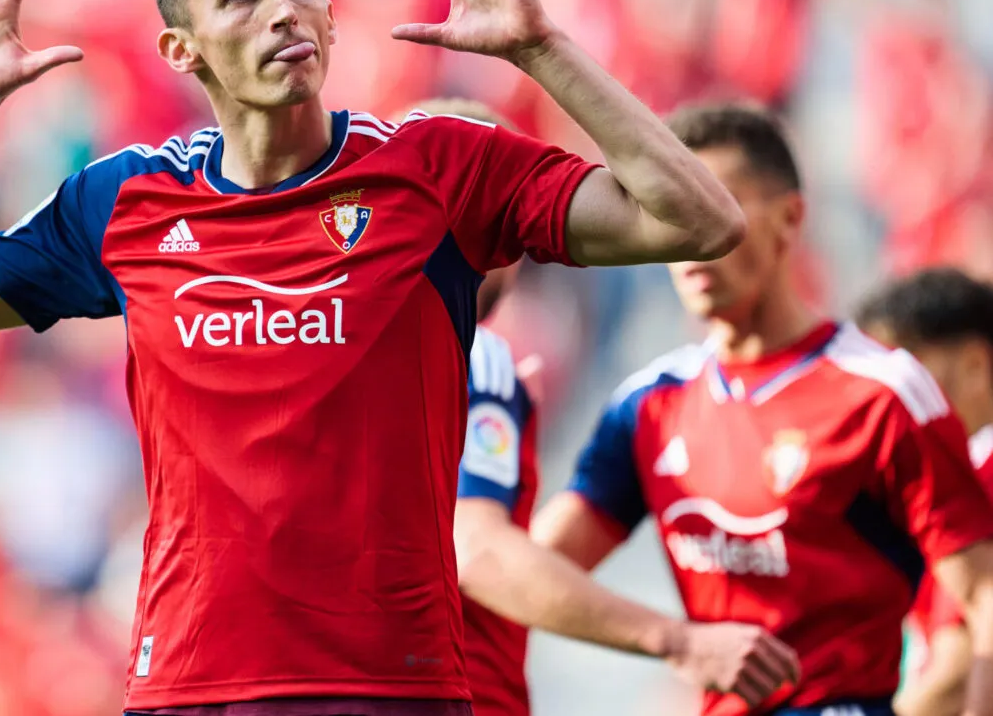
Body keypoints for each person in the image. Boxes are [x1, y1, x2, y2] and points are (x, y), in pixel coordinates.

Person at [0, 0, 746, 715]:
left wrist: (541, 49)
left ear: (332, 14)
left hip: (390, 687)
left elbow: (699, 220)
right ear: (182, 48)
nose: (283, 8)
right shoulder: (122, 201)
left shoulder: (435, 167)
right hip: (188, 684)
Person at [520, 102, 993, 716]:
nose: (687, 235)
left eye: (712, 207)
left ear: (790, 220)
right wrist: (672, 641)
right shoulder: (649, 405)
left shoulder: (883, 392)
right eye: (666, 209)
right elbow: (534, 569)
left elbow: (981, 597)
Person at [406, 100, 797, 716]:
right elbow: (481, 555)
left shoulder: (319, 343)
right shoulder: (477, 356)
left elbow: (535, 557)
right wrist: (680, 641)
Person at [856, 268, 993, 716]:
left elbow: (958, 671)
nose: (881, 393)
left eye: (902, 371)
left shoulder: (981, 480)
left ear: (974, 366)